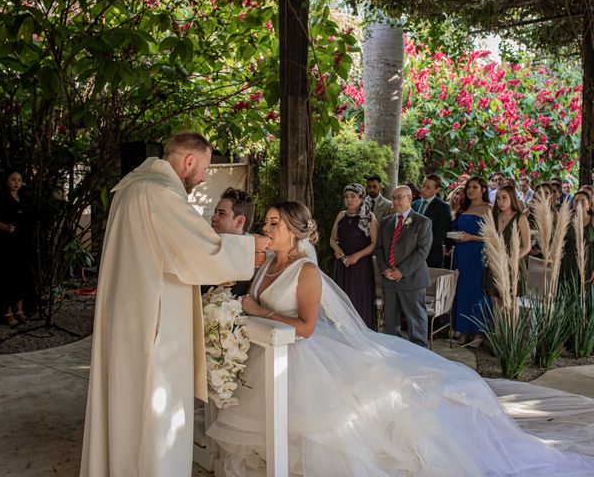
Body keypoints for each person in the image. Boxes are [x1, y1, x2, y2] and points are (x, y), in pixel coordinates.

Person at [207, 200, 594, 477]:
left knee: (325, 434)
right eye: (268, 223)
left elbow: (306, 327)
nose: (267, 230)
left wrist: (259, 313)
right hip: (268, 356)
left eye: (274, 224)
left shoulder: (305, 271)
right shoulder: (267, 263)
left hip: (304, 358)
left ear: (293, 231)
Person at [80, 132, 269, 477]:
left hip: (129, 314)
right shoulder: (160, 194)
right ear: (190, 161)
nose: (201, 179)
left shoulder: (130, 189)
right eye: (203, 169)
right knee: (154, 408)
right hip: (155, 322)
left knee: (127, 403)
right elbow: (197, 251)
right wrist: (249, 248)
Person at [376, 185, 432, 347]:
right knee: (390, 320)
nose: (395, 201)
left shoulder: (422, 222)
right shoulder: (386, 222)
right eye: (394, 197)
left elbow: (422, 251)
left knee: (416, 320)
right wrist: (385, 269)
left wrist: (402, 271)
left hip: (412, 278)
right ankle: (394, 352)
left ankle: (419, 353)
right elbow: (379, 248)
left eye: (399, 197)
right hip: (389, 279)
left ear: (409, 198)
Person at [0, 170, 34, 327]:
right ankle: (6, 312)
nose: (17, 183)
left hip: (22, 242)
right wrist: (6, 227)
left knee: (20, 275)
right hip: (5, 243)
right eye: (13, 179)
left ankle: (19, 310)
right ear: (6, 180)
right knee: (6, 277)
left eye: (20, 180)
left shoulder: (24, 198)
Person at [330, 183, 378, 330]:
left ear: (361, 197)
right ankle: (342, 329)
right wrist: (336, 248)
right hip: (343, 264)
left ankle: (360, 331)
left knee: (358, 297)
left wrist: (357, 256)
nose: (349, 200)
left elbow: (374, 243)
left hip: (361, 266)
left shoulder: (369, 217)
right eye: (346, 197)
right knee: (342, 296)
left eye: (353, 196)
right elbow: (332, 238)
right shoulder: (341, 215)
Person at [451, 176, 491, 346]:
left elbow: (492, 236)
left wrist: (471, 237)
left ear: (483, 189)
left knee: (476, 291)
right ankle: (463, 329)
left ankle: (478, 332)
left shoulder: (489, 209)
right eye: (468, 187)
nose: (470, 190)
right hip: (461, 252)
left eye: (474, 187)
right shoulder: (463, 208)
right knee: (462, 290)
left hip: (478, 253)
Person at [484, 185, 532, 303]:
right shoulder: (493, 216)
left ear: (512, 198)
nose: (500, 201)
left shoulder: (520, 218)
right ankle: (497, 322)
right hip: (495, 262)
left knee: (511, 302)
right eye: (498, 198)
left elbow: (527, 246)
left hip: (513, 264)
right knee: (496, 301)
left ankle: (512, 323)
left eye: (504, 198)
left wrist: (512, 259)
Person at [207, 186, 256, 296]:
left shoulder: (256, 257)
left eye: (221, 213)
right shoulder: (206, 246)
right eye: (215, 212)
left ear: (239, 221)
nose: (213, 218)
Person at [412, 174, 452, 268]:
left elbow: (440, 234)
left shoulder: (443, 207)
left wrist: (421, 249)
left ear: (437, 190)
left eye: (428, 187)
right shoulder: (414, 204)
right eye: (423, 185)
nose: (423, 189)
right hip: (411, 255)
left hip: (431, 256)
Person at [560, 190, 594, 284]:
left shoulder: (593, 221)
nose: (579, 203)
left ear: (588, 205)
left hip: (588, 263)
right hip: (568, 262)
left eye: (583, 201)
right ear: (573, 204)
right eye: (576, 201)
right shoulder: (566, 220)